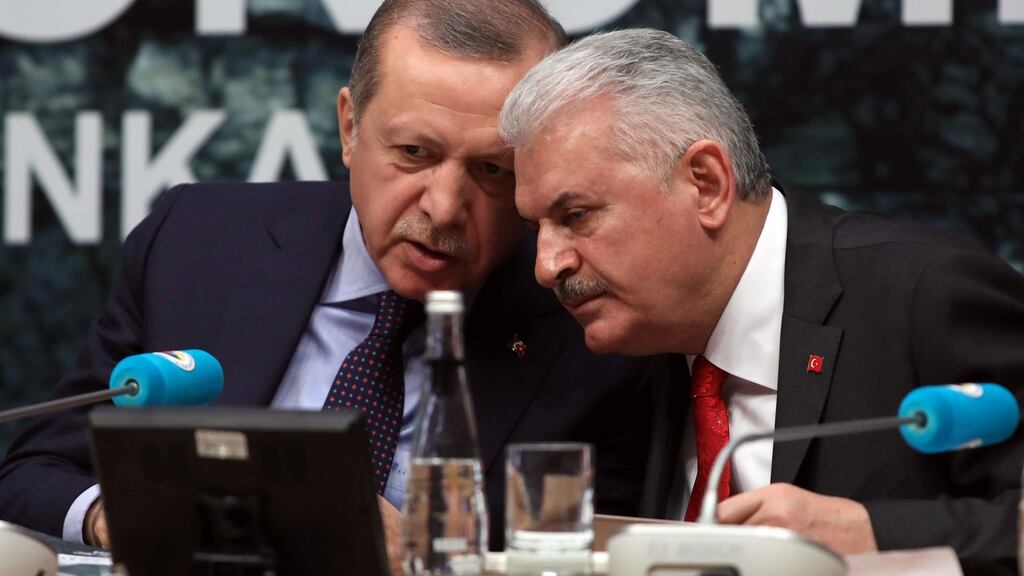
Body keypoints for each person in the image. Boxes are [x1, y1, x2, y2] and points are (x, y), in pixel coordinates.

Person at [0, 4, 680, 569]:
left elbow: (596, 557)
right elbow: (33, 472)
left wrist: (422, 559)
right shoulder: (197, 243)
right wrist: (110, 517)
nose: (443, 207)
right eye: (414, 153)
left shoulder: (594, 332)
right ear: (350, 126)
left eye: (492, 172)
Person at [500, 28, 1024, 575]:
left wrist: (871, 535)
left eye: (576, 216)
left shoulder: (926, 296)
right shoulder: (620, 351)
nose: (546, 264)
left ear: (705, 185)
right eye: (536, 227)